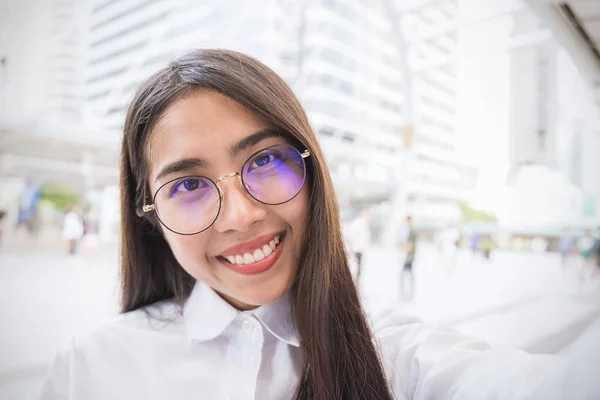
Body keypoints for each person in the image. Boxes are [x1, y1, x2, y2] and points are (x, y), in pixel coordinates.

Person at [39, 49, 600, 400]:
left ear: (312, 169)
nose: (241, 214)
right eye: (187, 185)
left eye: (264, 161)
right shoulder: (92, 369)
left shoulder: (396, 361)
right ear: (149, 216)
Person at [343, 209, 372, 283]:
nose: (370, 217)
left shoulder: (362, 223)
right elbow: (351, 235)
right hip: (356, 248)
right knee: (356, 266)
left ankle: (356, 281)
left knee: (358, 266)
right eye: (368, 215)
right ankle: (355, 281)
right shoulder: (358, 223)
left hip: (359, 248)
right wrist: (353, 245)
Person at [398, 216, 417, 300]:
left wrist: (406, 247)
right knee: (404, 273)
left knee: (409, 273)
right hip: (404, 255)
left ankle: (409, 291)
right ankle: (403, 291)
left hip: (409, 255)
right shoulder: (403, 230)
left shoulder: (412, 232)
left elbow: (411, 246)